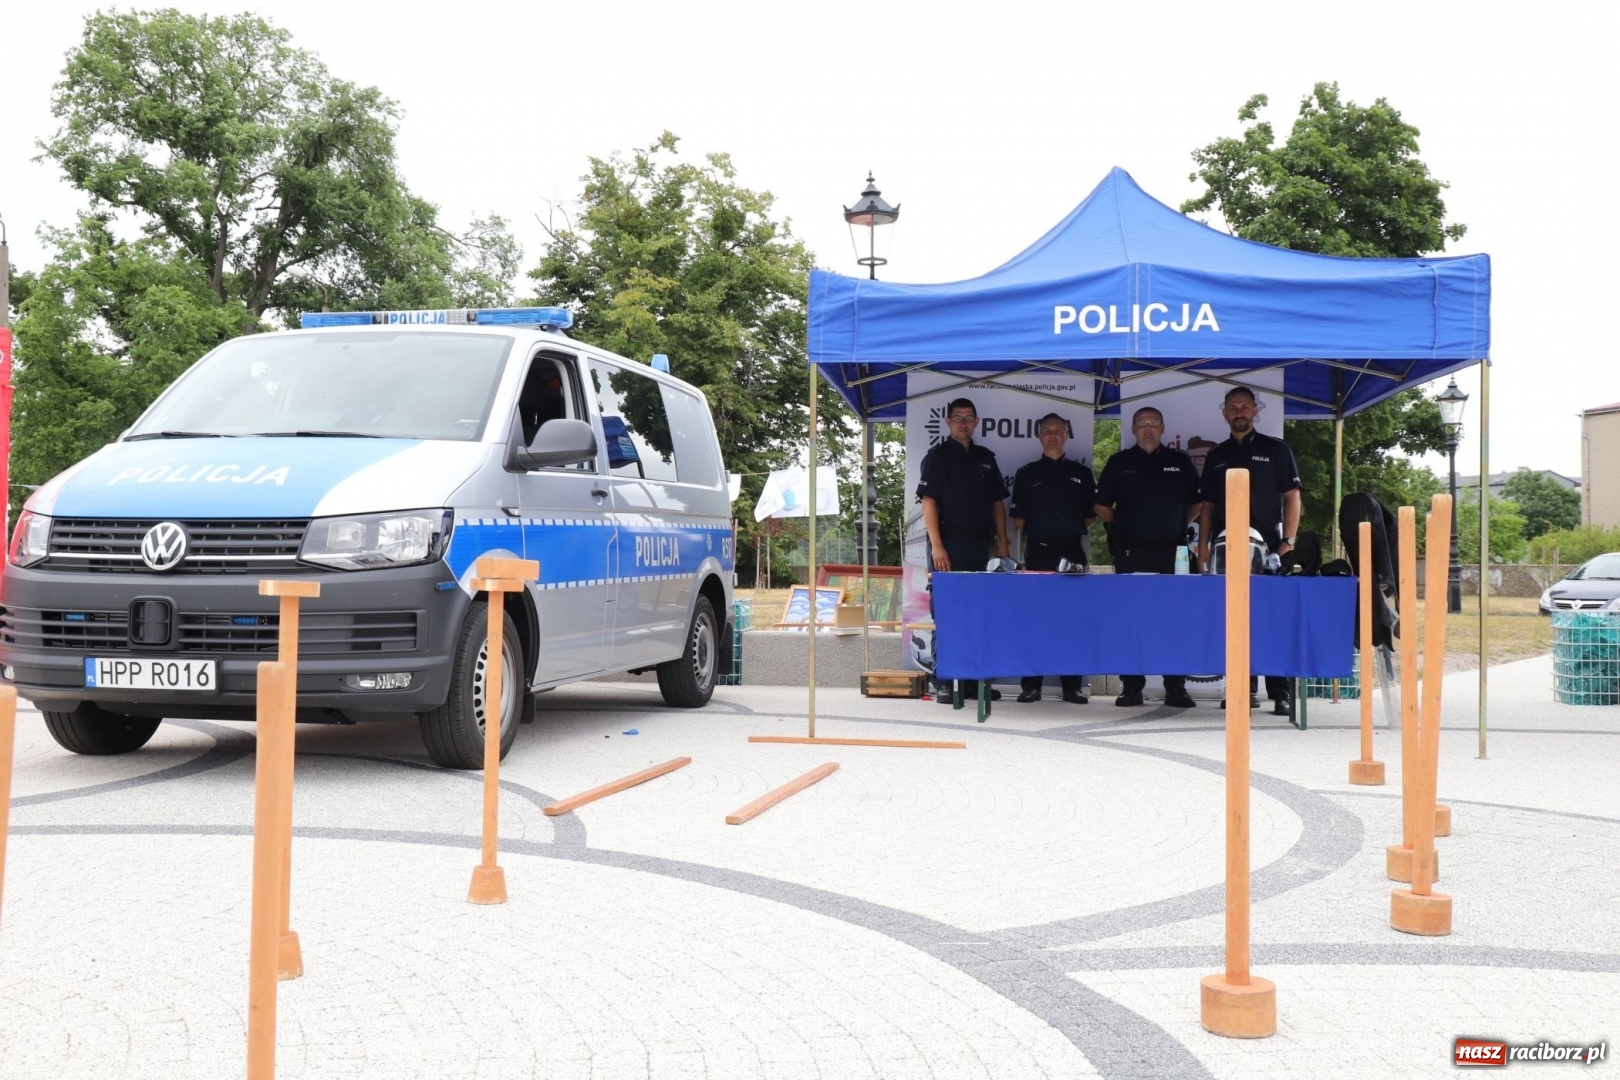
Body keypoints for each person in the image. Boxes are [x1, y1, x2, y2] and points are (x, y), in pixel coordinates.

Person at [1196, 385, 1303, 715]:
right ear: (1224, 413)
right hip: (1225, 550)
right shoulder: (1216, 456)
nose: (1239, 411)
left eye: (1245, 406)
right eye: (1233, 407)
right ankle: (1242, 687)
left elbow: (1292, 497)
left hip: (1270, 548)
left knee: (1271, 620)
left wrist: (1289, 542)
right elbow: (1208, 506)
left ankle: (1280, 692)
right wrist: (1202, 548)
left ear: (1256, 410)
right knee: (1234, 621)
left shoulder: (1276, 449)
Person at [1093, 406, 1202, 709]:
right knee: (1132, 621)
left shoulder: (1179, 462)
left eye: (1154, 423)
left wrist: (1177, 522)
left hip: (1174, 553)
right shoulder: (1119, 463)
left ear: (1163, 427)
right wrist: (1125, 523)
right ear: (1133, 429)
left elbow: (1197, 503)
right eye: (1142, 424)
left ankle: (1176, 687)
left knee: (1175, 621)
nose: (1148, 429)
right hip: (1131, 553)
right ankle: (1131, 688)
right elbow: (1101, 506)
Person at [917, 397, 1010, 703]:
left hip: (981, 547)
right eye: (957, 417)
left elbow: (998, 502)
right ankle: (944, 679)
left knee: (978, 614)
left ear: (976, 422)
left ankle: (973, 681)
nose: (963, 422)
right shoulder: (938, 457)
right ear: (947, 422)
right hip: (949, 547)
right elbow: (928, 503)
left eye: (969, 418)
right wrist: (938, 547)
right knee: (947, 613)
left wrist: (1003, 542)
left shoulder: (985, 458)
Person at [1009, 413, 1096, 704]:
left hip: (1072, 551)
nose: (1053, 435)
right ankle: (1031, 685)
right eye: (1047, 430)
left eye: (1058, 430)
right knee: (1035, 620)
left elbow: (1089, 517)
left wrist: (1064, 531)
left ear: (1067, 435)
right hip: (1038, 552)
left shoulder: (1081, 474)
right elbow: (1019, 520)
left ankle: (1072, 686)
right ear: (1039, 436)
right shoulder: (1027, 474)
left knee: (1072, 621)